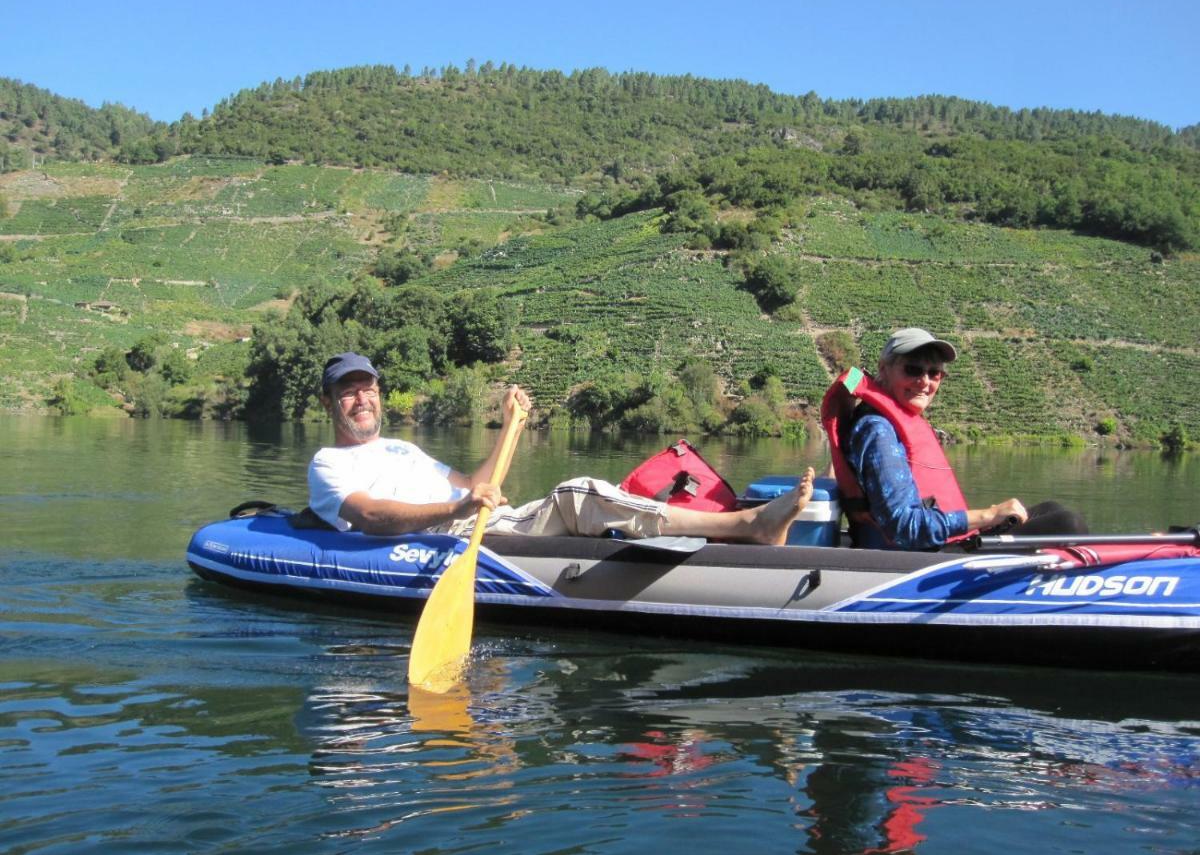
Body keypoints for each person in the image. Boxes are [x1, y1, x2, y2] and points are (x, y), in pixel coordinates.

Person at [308, 352, 814, 544]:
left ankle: (734, 529)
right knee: (578, 493)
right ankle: (747, 526)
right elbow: (371, 516)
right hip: (445, 533)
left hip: (473, 518)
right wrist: (459, 506)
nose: (362, 399)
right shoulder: (328, 464)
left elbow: (476, 485)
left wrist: (511, 425)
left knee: (583, 498)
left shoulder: (402, 449)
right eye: (349, 391)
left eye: (368, 388)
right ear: (331, 403)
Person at [821, 328, 1087, 551]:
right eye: (913, 370)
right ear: (884, 369)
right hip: (923, 558)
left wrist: (988, 520)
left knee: (1052, 511)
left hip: (939, 545)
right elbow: (904, 527)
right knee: (1068, 524)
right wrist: (988, 515)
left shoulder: (891, 422)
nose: (924, 381)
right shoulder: (878, 431)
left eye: (934, 373)